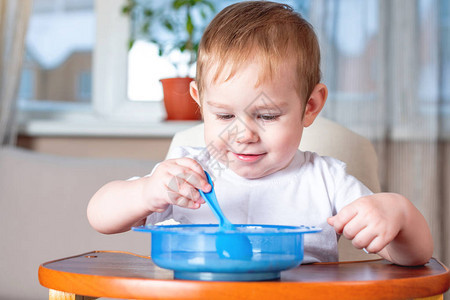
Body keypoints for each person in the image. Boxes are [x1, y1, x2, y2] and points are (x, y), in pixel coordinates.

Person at [87, 1, 433, 266]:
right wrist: (147, 192)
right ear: (200, 102)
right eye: (223, 114)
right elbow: (99, 216)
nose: (243, 135)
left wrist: (398, 215)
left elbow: (414, 257)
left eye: (266, 115)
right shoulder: (188, 173)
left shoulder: (326, 181)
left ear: (310, 107)